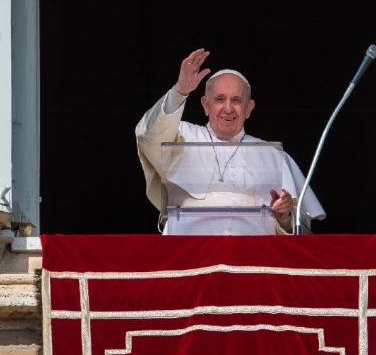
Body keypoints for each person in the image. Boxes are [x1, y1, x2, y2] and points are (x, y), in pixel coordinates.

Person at [135, 48, 325, 235]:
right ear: (205, 105)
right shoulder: (181, 135)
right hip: (189, 254)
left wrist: (284, 216)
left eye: (236, 100)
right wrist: (180, 92)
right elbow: (148, 136)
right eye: (219, 99)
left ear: (248, 108)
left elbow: (301, 228)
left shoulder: (272, 154)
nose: (228, 108)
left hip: (253, 257)